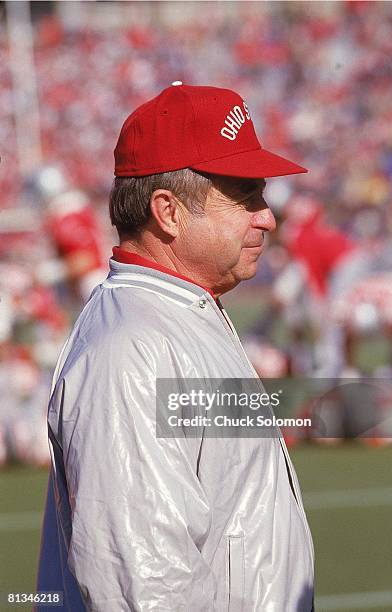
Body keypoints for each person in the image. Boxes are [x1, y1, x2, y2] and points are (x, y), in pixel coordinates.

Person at [37, 83, 314, 611]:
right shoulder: (134, 351)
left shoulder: (180, 316)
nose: (267, 217)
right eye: (246, 195)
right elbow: (146, 587)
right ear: (169, 212)